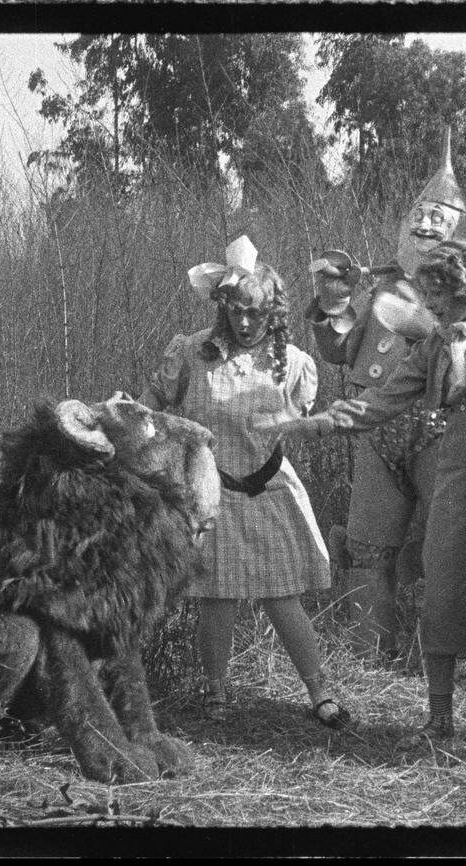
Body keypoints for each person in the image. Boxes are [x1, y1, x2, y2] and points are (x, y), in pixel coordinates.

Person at [263, 238, 466, 765]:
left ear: (464, 284)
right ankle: (439, 720)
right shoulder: (437, 344)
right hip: (454, 470)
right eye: (426, 291)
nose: (427, 302)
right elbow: (378, 402)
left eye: (435, 291)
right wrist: (306, 423)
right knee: (442, 586)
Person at [142, 235, 350, 730]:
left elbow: (297, 421)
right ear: (224, 307)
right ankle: (217, 694)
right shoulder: (192, 352)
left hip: (269, 488)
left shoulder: (294, 363)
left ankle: (318, 691)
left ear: (273, 311)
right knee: (217, 596)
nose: (246, 322)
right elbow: (152, 408)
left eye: (256, 313)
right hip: (211, 493)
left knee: (283, 595)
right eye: (237, 311)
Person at [305, 128, 466, 664]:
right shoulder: (375, 287)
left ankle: (434, 652)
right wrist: (331, 304)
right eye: (418, 218)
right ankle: (370, 650)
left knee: (438, 545)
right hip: (372, 425)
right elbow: (338, 349)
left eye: (438, 221)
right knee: (370, 541)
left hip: (437, 428)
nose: (425, 227)